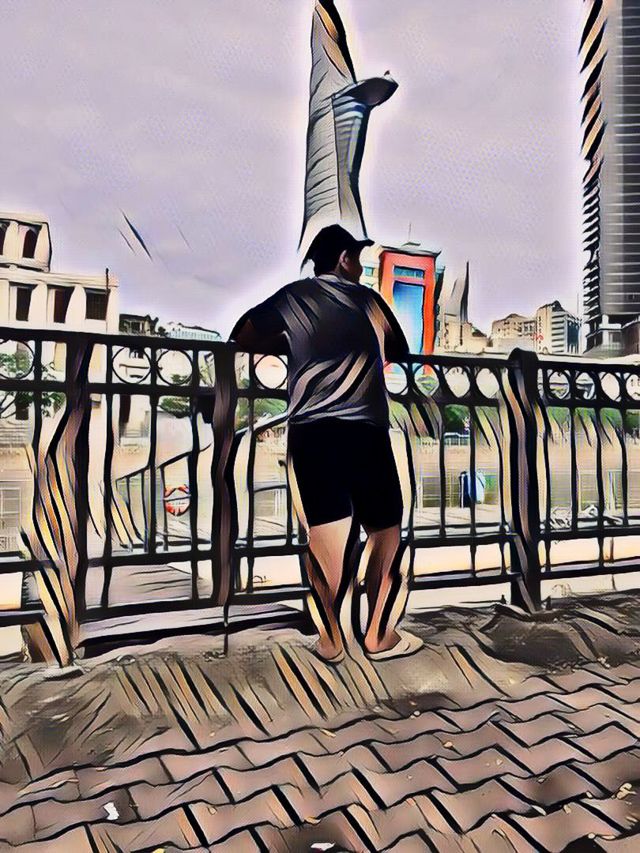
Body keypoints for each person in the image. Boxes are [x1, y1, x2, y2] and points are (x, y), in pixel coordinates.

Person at [229, 224, 423, 663]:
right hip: (365, 429)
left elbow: (243, 334)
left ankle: (332, 640)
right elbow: (400, 349)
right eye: (357, 258)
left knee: (325, 537)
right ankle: (378, 636)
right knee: (385, 530)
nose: (361, 266)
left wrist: (294, 341)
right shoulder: (368, 301)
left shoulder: (292, 297)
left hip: (312, 432)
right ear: (343, 259)